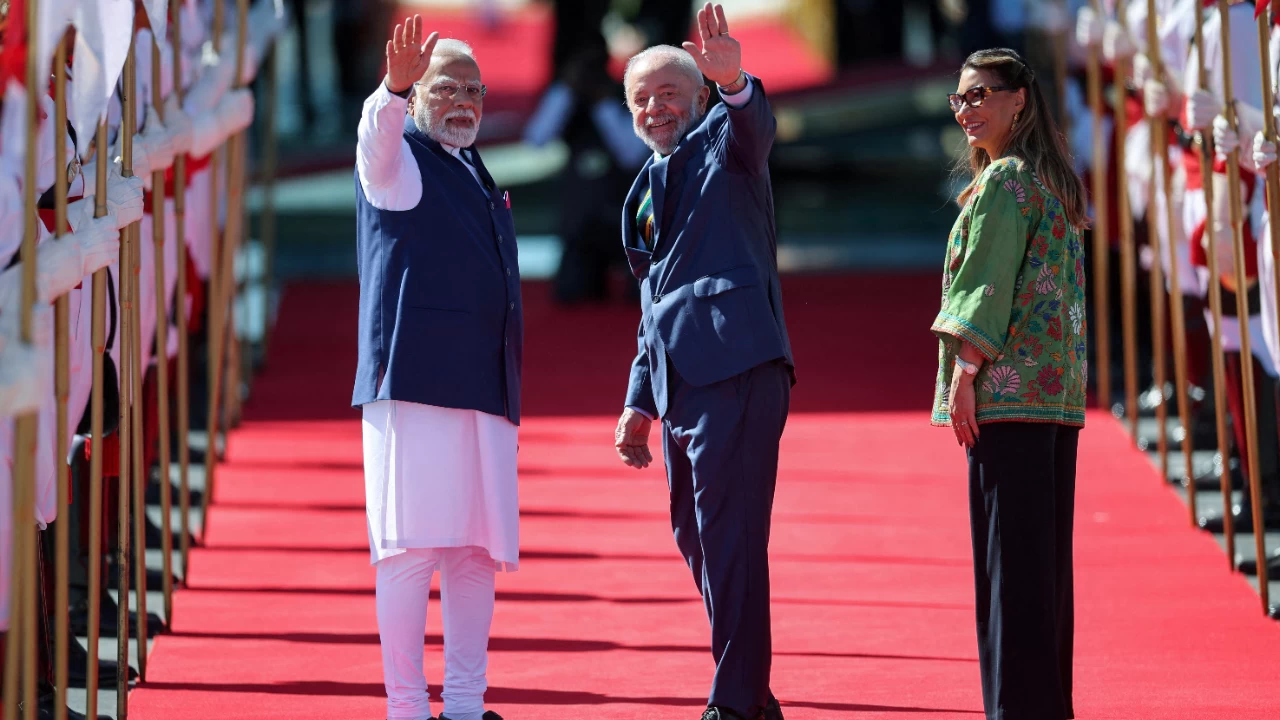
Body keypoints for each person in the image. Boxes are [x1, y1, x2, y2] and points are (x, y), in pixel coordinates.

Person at [611, 5, 794, 720]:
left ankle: (736, 705)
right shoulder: (640, 192)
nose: (656, 108)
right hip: (682, 384)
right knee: (703, 537)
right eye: (642, 99)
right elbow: (651, 303)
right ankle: (752, 693)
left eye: (670, 94)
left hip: (739, 364)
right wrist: (638, 399)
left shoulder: (725, 141)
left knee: (731, 539)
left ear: (698, 98)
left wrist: (735, 82)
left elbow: (754, 124)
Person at [353, 15, 521, 720]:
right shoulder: (401, 160)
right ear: (417, 97)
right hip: (415, 382)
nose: (464, 102)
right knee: (411, 549)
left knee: (475, 550)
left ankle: (462, 705)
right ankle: (405, 708)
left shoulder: (467, 162)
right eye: (447, 87)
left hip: (483, 382)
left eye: (475, 91)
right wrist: (390, 89)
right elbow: (375, 145)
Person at [935, 49, 1089, 720]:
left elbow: (987, 286)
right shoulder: (1051, 181)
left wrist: (965, 372)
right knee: (1043, 573)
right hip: (1054, 398)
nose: (967, 108)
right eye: (959, 99)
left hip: (1009, 392)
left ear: (1018, 100)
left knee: (1011, 576)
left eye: (980, 95)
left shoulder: (1005, 183)